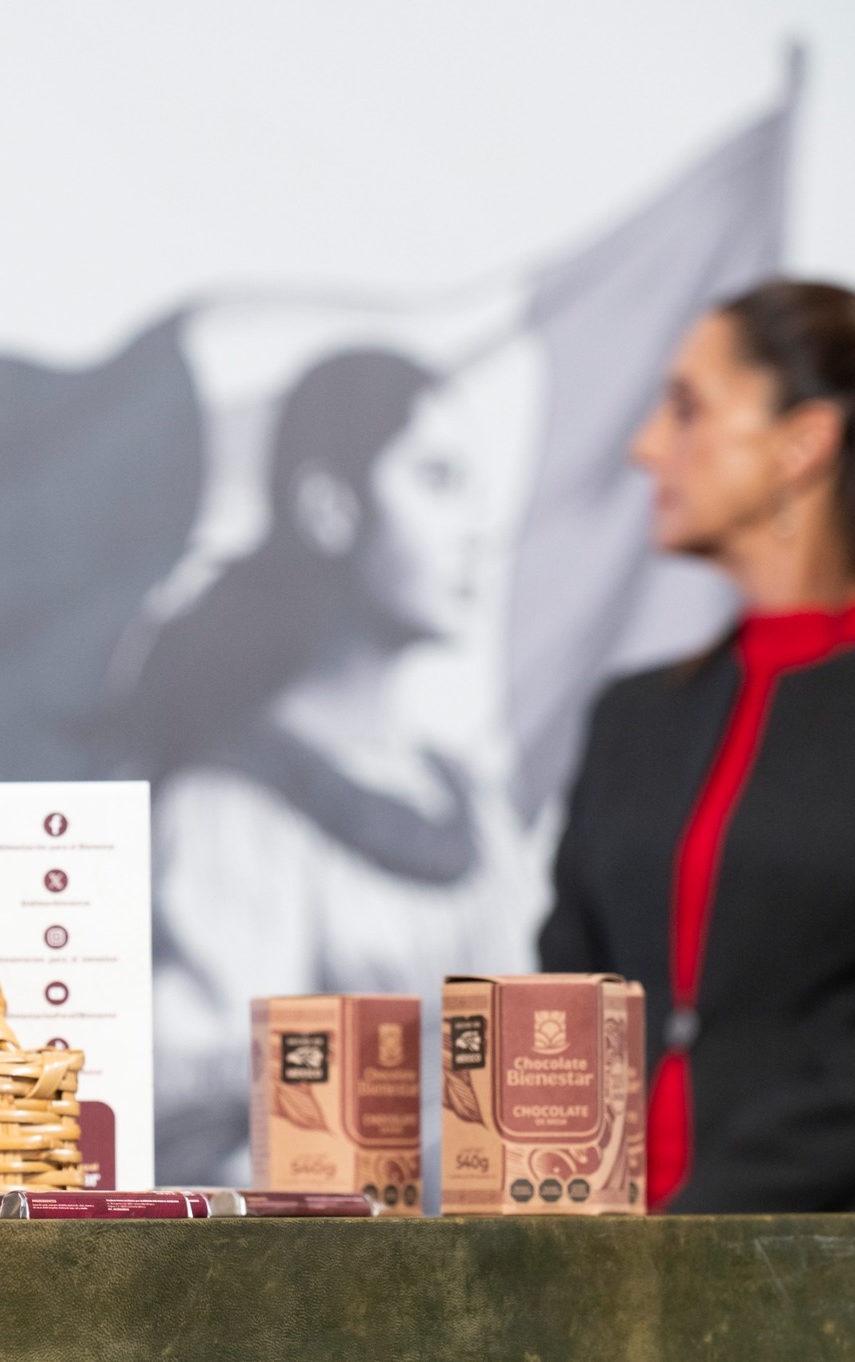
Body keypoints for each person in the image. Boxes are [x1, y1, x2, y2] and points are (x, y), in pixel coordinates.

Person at [540, 279, 855, 1212]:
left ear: (801, 444)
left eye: (687, 408)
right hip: (612, 1271)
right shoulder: (630, 716)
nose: (646, 446)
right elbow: (567, 987)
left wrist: (692, 1230)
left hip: (852, 1269)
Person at [124, 348, 543, 1184]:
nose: (475, 529)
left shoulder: (473, 801)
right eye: (436, 480)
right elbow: (202, 1142)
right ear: (330, 507)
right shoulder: (229, 815)